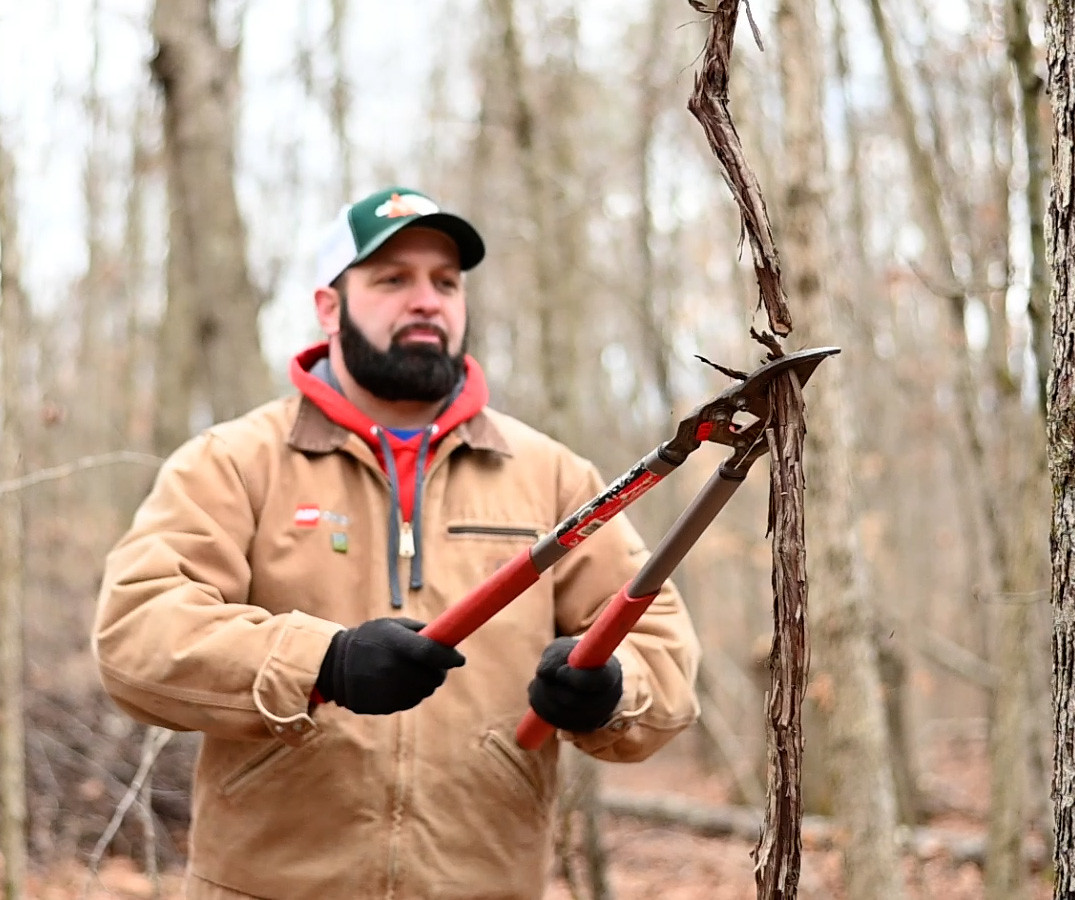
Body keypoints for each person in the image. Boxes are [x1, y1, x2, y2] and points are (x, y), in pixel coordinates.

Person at [93, 186, 702, 900]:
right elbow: (137, 631)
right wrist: (326, 663)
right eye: (391, 279)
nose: (426, 301)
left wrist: (610, 689)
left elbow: (661, 656)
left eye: (446, 282)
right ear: (328, 307)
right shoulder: (234, 462)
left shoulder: (552, 477)